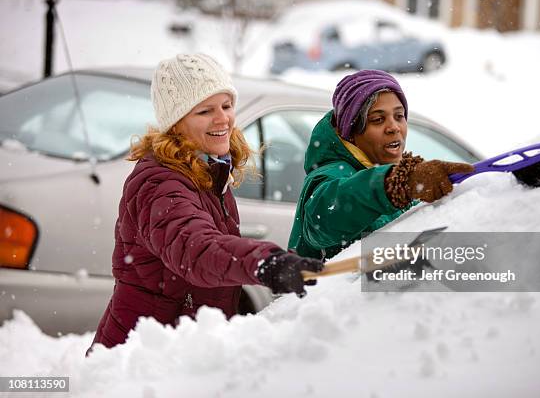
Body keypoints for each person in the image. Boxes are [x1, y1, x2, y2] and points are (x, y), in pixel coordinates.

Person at [88, 53, 323, 352]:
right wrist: (265, 262)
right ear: (176, 123)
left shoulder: (210, 171)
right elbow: (196, 248)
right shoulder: (159, 183)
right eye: (204, 111)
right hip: (140, 359)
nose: (223, 118)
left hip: (177, 351)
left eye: (227, 106)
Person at [288, 70, 474, 259]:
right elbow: (326, 218)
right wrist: (398, 184)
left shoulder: (400, 174)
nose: (394, 127)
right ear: (350, 131)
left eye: (399, 116)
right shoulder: (329, 176)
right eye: (378, 119)